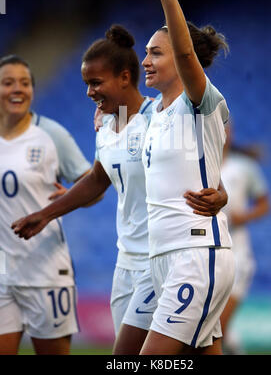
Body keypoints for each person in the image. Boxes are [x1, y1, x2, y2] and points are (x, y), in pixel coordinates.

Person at [12, 25, 228, 355]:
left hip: (169, 257)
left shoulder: (158, 113)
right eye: (86, 84)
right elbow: (99, 179)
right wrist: (45, 215)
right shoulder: (111, 124)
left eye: (96, 83)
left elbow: (199, 156)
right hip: (129, 260)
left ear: (124, 78)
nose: (89, 93)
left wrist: (221, 193)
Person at [127, 0, 235, 355]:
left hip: (196, 251)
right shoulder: (153, 112)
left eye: (156, 53)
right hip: (164, 256)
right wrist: (102, 102)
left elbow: (189, 56)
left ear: (181, 56)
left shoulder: (201, 102)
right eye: (146, 53)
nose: (145, 60)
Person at [0, 55, 94, 355]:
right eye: (8, 82)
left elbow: (96, 187)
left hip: (45, 272)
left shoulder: (52, 134)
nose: (18, 89)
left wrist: (69, 197)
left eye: (25, 83)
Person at [220, 122, 271, 354]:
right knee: (210, 330)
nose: (223, 133)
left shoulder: (244, 167)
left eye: (227, 128)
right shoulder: (198, 166)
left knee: (216, 329)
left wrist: (245, 216)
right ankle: (235, 346)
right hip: (206, 257)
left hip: (237, 256)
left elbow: (265, 205)